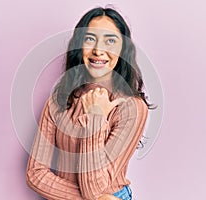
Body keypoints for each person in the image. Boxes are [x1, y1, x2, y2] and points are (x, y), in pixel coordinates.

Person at [26, 6, 151, 200]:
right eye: (90, 39)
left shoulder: (132, 107)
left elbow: (95, 188)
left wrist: (95, 116)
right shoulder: (59, 101)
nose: (98, 50)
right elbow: (35, 174)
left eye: (110, 41)